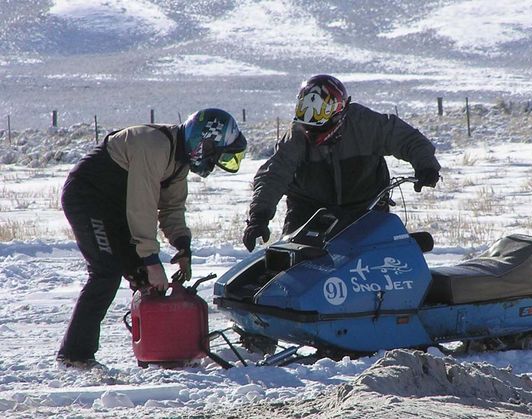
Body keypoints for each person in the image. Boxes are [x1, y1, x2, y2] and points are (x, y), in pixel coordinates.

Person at [57, 108, 247, 368]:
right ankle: (74, 355)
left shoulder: (178, 162)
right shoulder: (155, 147)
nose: (213, 164)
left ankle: (160, 351)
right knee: (106, 271)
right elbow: (141, 207)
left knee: (143, 276)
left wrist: (182, 246)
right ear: (203, 143)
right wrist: (151, 260)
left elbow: (172, 209)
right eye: (215, 155)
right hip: (88, 198)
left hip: (115, 207)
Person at [242, 74, 440, 251]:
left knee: (381, 265)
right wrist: (259, 217)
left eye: (319, 118)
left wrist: (426, 165)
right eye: (306, 114)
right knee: (295, 269)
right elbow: (273, 174)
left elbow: (407, 139)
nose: (311, 127)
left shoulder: (365, 124)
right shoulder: (297, 136)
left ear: (339, 113)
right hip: (309, 214)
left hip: (366, 210)